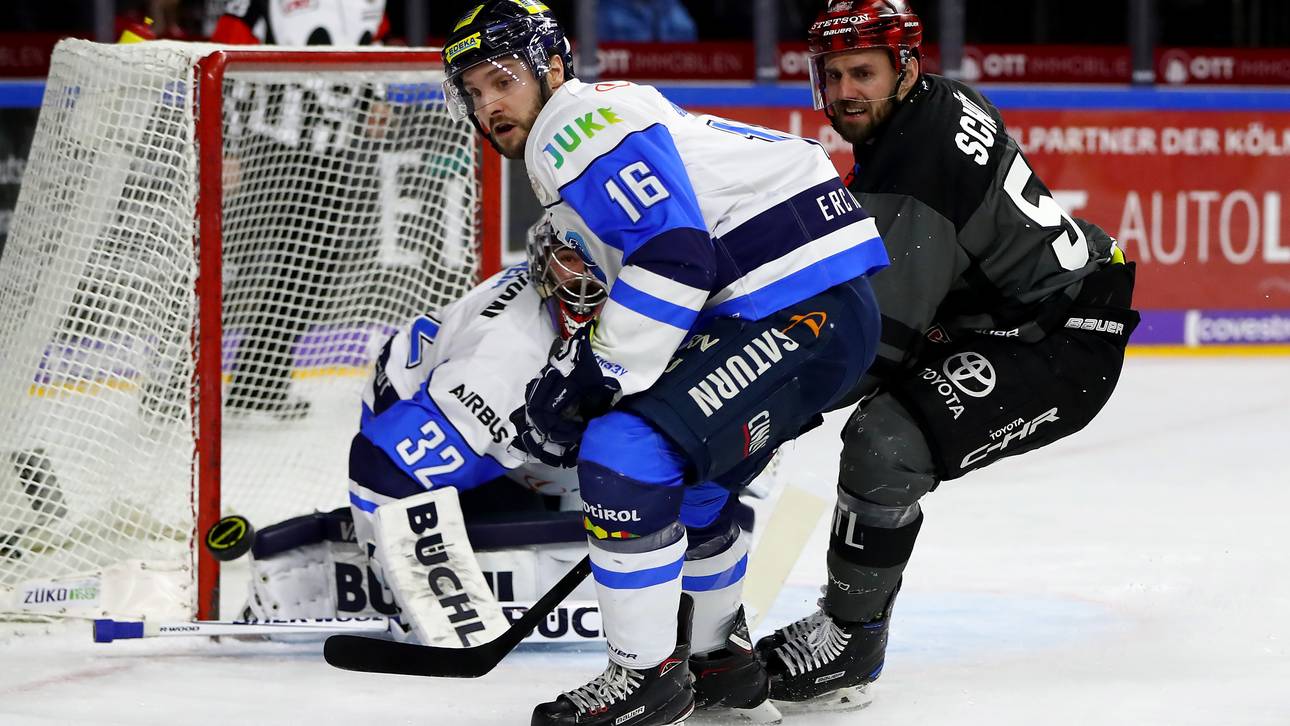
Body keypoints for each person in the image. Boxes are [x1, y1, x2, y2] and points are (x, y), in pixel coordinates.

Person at [441, 2, 890, 724]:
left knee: (625, 451)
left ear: (552, 68)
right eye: (473, 91)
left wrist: (599, 371)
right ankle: (720, 665)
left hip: (792, 304)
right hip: (815, 307)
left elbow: (676, 255)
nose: (488, 104)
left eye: (501, 79)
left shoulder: (570, 123)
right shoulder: (605, 119)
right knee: (693, 486)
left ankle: (645, 678)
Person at [751, 0, 1141, 712]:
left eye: (862, 72)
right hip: (1024, 307)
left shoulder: (914, 159)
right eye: (832, 75)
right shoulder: (938, 101)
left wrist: (754, 408)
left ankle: (850, 640)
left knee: (887, 441)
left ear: (905, 68)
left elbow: (873, 345)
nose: (843, 93)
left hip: (1059, 342)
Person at [240, 219, 602, 627]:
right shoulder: (507, 364)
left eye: (598, 258)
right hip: (430, 420)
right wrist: (442, 611)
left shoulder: (664, 293)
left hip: (534, 428)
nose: (584, 279)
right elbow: (382, 467)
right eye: (570, 259)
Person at [210, 0, 390, 420]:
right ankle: (175, 385)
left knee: (309, 275)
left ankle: (261, 385)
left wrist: (376, 98)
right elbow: (222, 60)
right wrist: (228, 145)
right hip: (267, 148)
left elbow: (372, 43)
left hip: (332, 151)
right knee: (231, 271)